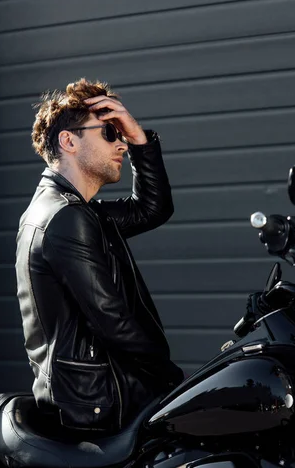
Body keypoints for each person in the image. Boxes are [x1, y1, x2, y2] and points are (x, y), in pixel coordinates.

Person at [15, 78, 184, 433]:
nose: (121, 142)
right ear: (68, 141)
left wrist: (140, 139)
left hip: (91, 398)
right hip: (102, 406)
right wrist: (173, 379)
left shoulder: (70, 210)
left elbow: (151, 208)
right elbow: (115, 322)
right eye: (109, 132)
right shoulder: (66, 217)